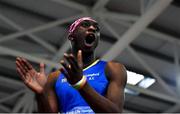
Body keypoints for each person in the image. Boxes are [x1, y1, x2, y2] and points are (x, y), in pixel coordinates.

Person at [16, 17, 127, 113]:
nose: (93, 28)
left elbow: (115, 112)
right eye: (85, 25)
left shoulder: (113, 69)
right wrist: (40, 95)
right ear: (71, 36)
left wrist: (80, 84)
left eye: (96, 28)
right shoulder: (54, 78)